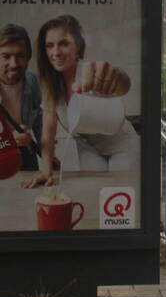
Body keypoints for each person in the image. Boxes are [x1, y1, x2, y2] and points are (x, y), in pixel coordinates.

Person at [23, 15, 137, 187]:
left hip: (122, 147)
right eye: (49, 46)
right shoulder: (51, 86)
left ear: (78, 46)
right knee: (91, 191)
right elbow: (48, 132)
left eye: (63, 43)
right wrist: (46, 171)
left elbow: (122, 84)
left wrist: (117, 76)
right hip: (89, 149)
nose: (56, 52)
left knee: (119, 191)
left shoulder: (91, 72)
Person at [0, 24, 43, 171]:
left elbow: (39, 122)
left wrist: (49, 155)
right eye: (6, 56)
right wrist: (10, 140)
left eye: (20, 56)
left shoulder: (33, 81)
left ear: (28, 57)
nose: (13, 64)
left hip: (26, 154)